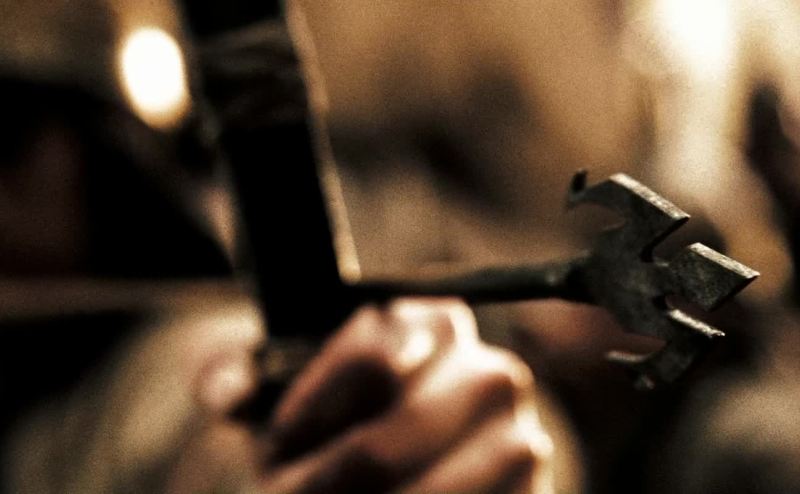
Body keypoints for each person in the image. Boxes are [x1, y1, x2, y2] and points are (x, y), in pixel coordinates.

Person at [0, 1, 559, 492]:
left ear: (94, 148)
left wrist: (401, 423)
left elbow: (208, 424)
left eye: (11, 140)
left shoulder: (161, 368)